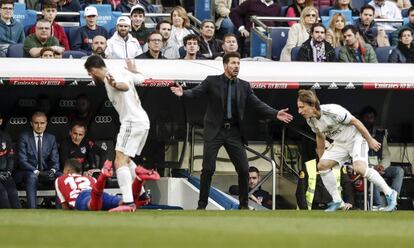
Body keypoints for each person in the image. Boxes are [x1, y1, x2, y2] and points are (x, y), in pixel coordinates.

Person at [170, 52, 293, 209]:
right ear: (225, 65)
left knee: (243, 169)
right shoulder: (212, 81)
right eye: (233, 63)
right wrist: (183, 93)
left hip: (233, 132)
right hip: (215, 131)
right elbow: (196, 92)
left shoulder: (244, 86)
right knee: (208, 169)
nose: (236, 66)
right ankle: (201, 206)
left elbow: (257, 104)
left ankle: (243, 205)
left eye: (238, 63)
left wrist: (275, 113)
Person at [296, 90, 397, 211]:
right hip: (340, 143)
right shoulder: (310, 120)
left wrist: (370, 139)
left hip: (356, 139)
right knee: (322, 165)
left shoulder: (332, 111)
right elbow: (320, 136)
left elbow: (355, 121)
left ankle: (390, 193)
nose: (299, 111)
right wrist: (322, 156)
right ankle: (337, 201)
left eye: (302, 107)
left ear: (312, 105)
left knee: (359, 168)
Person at [84, 55, 150, 212]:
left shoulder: (110, 76)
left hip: (132, 122)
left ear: (93, 70)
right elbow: (141, 78)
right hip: (142, 121)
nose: (91, 77)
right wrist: (133, 70)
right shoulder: (123, 70)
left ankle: (128, 202)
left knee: (119, 161)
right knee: (126, 160)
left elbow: (125, 86)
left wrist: (116, 84)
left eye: (89, 73)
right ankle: (141, 196)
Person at [55, 158, 159, 211]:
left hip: (81, 198)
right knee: (126, 204)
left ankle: (102, 177)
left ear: (67, 170)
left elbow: (65, 207)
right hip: (97, 192)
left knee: (93, 206)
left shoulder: (60, 179)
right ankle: (139, 180)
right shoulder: (90, 178)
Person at [360, 106, 404, 208]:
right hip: (366, 168)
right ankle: (378, 205)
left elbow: (386, 156)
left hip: (380, 167)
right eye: (366, 117)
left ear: (374, 119)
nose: (369, 120)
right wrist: (373, 167)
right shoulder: (359, 134)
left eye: (371, 117)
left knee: (399, 171)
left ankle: (393, 201)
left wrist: (382, 166)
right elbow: (357, 156)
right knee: (373, 174)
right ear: (362, 119)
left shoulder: (380, 135)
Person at [14, 111, 60, 209]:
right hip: (26, 172)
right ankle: (33, 210)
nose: (39, 126)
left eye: (42, 123)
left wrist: (52, 171)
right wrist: (37, 172)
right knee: (32, 176)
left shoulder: (51, 138)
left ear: (46, 124)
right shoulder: (24, 137)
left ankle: (60, 209)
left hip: (45, 172)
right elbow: (22, 161)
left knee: (61, 176)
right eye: (36, 123)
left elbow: (55, 161)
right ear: (31, 123)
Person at [0, 114, 21, 209]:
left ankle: (21, 221)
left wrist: (8, 172)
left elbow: (10, 157)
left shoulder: (5, 136)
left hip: (5, 174)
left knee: (13, 193)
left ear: (0, 121)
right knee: (3, 193)